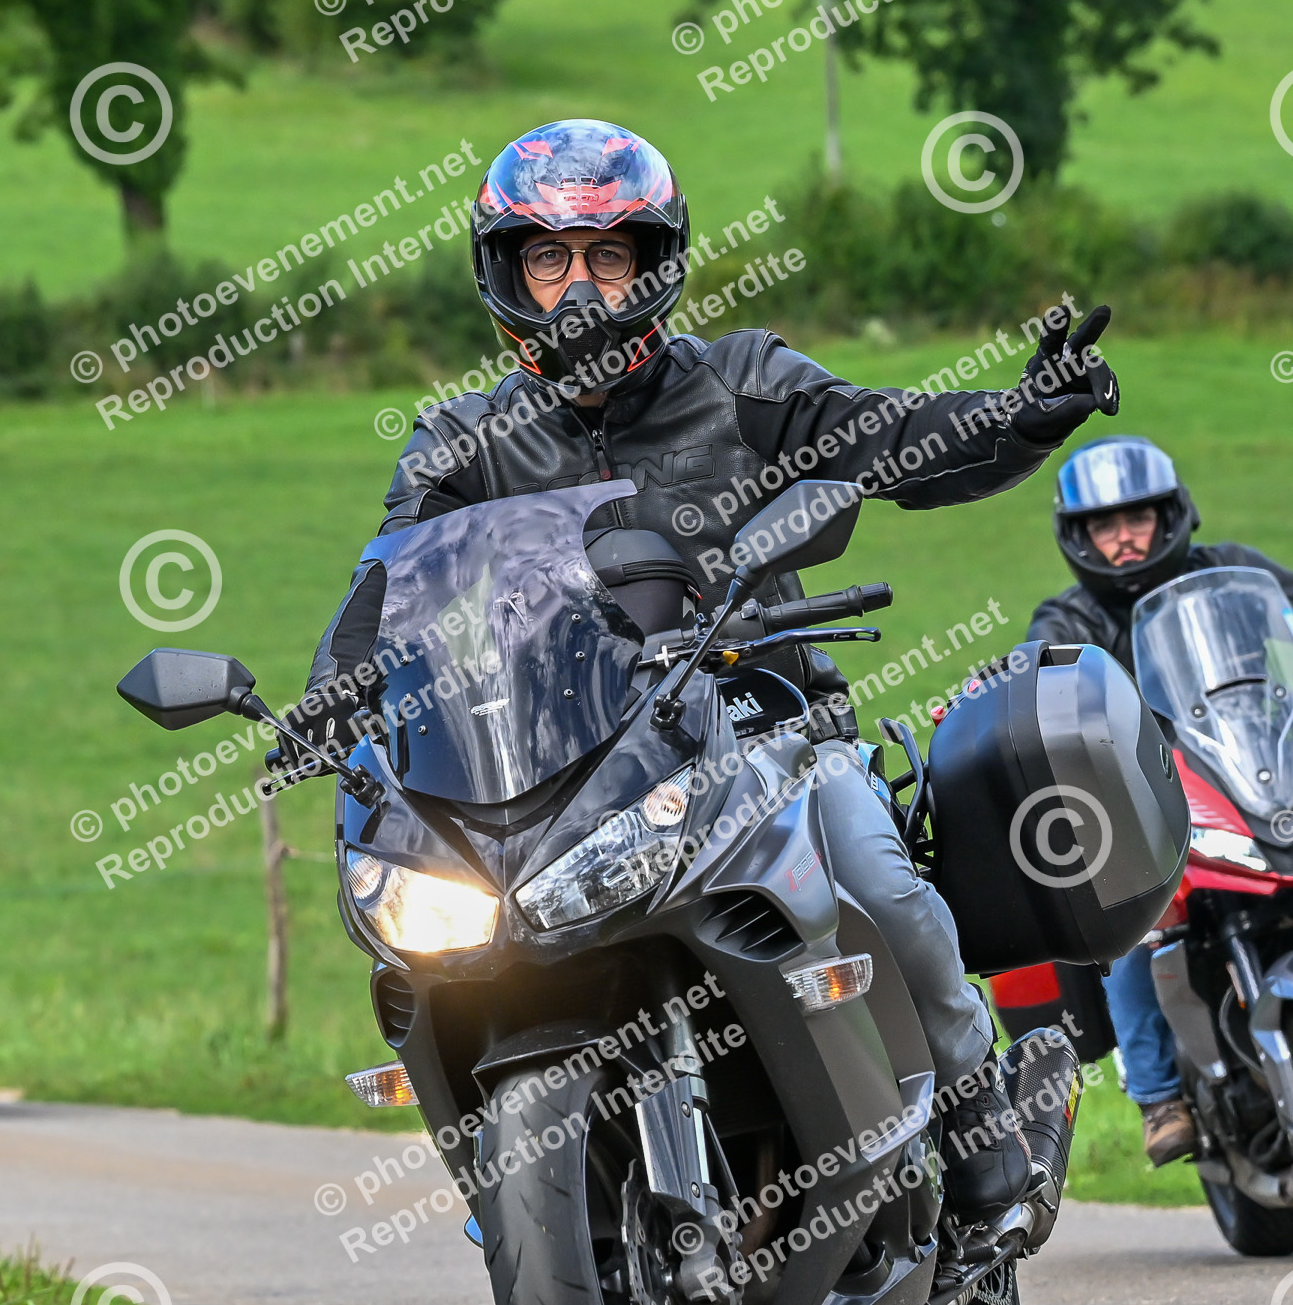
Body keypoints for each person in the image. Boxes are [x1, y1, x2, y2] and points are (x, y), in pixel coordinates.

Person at [295, 118, 1124, 1219]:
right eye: (549, 259)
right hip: (571, 770)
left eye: (606, 255)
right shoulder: (465, 442)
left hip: (766, 734)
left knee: (882, 887)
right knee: (448, 941)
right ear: (507, 274)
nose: (578, 288)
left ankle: (981, 1137)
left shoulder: (740, 382)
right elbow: (384, 589)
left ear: (653, 263)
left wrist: (1022, 416)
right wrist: (330, 698)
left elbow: (897, 440)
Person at [1029, 433, 1293, 1166]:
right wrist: (1008, 688)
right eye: (1104, 525)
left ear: (1170, 515)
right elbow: (1036, 690)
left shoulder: (1236, 573)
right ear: (1078, 536)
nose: (1123, 537)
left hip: (1251, 774)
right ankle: (1158, 1096)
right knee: (1138, 919)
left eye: (1137, 518)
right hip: (1146, 803)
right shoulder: (1069, 621)